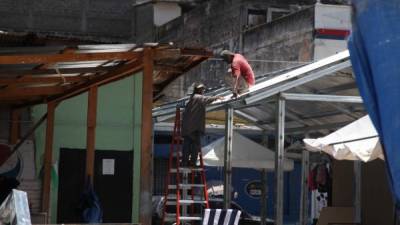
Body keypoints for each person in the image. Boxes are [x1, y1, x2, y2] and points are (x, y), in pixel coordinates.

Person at [181, 83, 223, 167]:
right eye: (202, 89)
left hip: (187, 128)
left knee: (187, 145)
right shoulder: (198, 97)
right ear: (199, 90)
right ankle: (192, 163)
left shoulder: (192, 98)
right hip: (194, 128)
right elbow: (207, 99)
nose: (203, 91)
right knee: (195, 146)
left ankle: (184, 163)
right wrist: (217, 97)